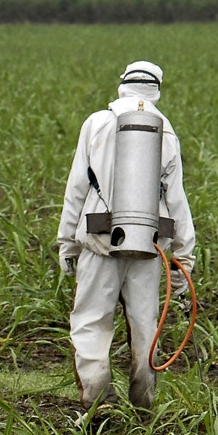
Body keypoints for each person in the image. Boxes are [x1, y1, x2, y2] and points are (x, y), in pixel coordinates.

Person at [57, 61, 195, 412]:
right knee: (145, 324)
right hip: (149, 245)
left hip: (100, 241)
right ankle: (143, 403)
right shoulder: (166, 130)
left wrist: (67, 243)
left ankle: (98, 399)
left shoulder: (96, 123)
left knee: (91, 321)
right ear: (157, 89)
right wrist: (184, 258)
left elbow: (77, 186)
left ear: (122, 85)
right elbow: (176, 199)